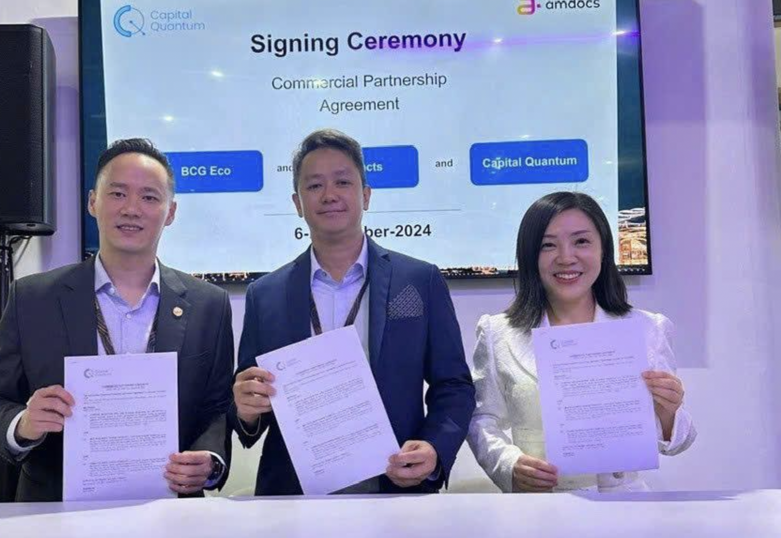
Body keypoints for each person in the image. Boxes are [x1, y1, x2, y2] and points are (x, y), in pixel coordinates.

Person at [0, 138, 233, 502]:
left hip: (169, 511)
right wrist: (24, 425)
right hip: (56, 511)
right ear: (93, 201)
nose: (131, 209)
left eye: (149, 197)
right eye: (118, 194)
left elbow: (215, 408)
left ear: (170, 212)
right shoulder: (33, 299)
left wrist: (211, 461)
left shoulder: (209, 304)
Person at [231, 128, 474, 495]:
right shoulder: (265, 295)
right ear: (297, 203)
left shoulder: (419, 280)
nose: (329, 195)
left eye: (342, 182)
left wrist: (435, 448)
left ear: (366, 195)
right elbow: (251, 407)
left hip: (394, 489)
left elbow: (454, 385)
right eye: (314, 186)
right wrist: (246, 411)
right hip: (292, 500)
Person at [468, 191, 695, 493]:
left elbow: (677, 443)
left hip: (626, 509)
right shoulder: (498, 332)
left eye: (581, 241)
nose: (565, 257)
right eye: (548, 245)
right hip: (539, 507)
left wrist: (668, 412)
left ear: (604, 250)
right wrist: (508, 465)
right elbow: (482, 418)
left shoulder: (647, 329)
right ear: (529, 255)